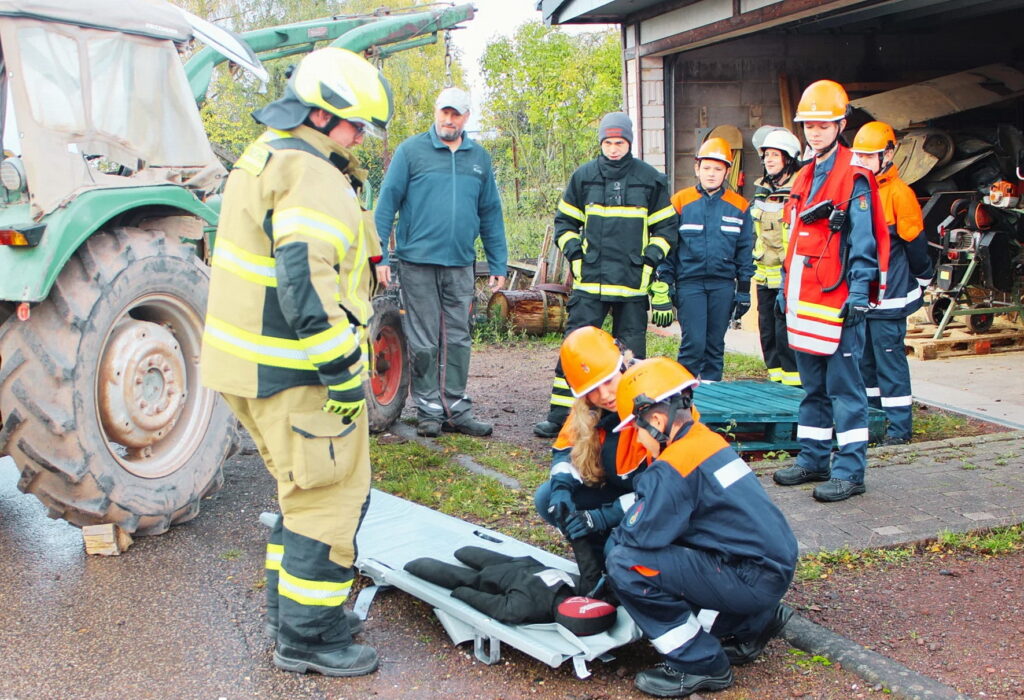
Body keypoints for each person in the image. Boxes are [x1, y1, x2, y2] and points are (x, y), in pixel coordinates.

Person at [201, 48, 392, 677]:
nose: (359, 138)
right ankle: (311, 640)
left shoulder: (267, 154)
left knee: (298, 495)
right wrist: (341, 370)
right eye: (354, 125)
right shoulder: (308, 172)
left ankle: (291, 619)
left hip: (250, 367)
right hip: (297, 371)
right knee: (330, 501)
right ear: (319, 113)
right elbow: (304, 285)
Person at [604, 357, 798, 698]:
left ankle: (699, 663)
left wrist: (609, 567)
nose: (636, 439)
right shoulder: (704, 441)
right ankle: (751, 624)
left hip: (749, 576)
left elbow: (642, 535)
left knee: (626, 564)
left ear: (657, 420)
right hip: (767, 568)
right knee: (671, 562)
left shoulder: (674, 466)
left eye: (634, 428)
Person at [771, 80, 891, 503]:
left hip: (838, 299)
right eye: (810, 125)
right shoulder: (804, 175)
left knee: (845, 389)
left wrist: (860, 292)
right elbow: (795, 238)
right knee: (813, 388)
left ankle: (850, 470)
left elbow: (865, 241)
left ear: (840, 125)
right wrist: (787, 288)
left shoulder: (854, 176)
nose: (816, 132)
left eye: (824, 125)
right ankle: (813, 458)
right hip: (806, 298)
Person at [533, 112, 677, 439]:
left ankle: (629, 416)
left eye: (620, 143)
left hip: (632, 286)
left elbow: (666, 228)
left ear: (629, 143)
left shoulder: (650, 180)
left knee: (632, 354)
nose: (614, 149)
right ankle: (561, 416)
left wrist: (650, 260)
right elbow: (564, 224)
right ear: (601, 143)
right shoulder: (583, 178)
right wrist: (577, 256)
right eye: (608, 143)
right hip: (591, 283)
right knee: (576, 349)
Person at [374, 86, 507, 438]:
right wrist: (380, 255)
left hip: (460, 263)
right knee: (423, 338)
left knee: (459, 337)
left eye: (457, 113)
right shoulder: (411, 152)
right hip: (417, 261)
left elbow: (490, 212)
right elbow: (386, 204)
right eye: (445, 112)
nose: (449, 119)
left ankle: (456, 407)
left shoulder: (479, 158)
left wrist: (498, 263)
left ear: (466, 117)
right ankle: (429, 408)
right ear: (436, 112)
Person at [533, 326, 651, 578]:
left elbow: (663, 492)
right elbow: (567, 449)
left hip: (661, 502)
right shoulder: (586, 407)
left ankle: (619, 550)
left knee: (617, 552)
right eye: (592, 389)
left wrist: (603, 517)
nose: (604, 395)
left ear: (623, 364)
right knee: (547, 497)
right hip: (622, 487)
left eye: (608, 380)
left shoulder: (655, 394)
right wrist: (561, 489)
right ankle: (598, 563)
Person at [851, 121, 933, 445]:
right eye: (859, 156)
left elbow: (916, 246)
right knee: (865, 364)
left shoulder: (900, 194)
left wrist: (924, 277)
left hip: (890, 296)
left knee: (890, 363)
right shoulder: (856, 190)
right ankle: (874, 422)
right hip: (863, 296)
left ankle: (899, 430)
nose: (863, 162)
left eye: (869, 156)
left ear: (887, 154)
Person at [658, 137, 754, 382]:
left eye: (718, 169)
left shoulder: (739, 206)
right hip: (690, 284)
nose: (711, 174)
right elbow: (668, 245)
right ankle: (684, 398)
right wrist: (666, 281)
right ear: (696, 168)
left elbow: (745, 249)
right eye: (707, 168)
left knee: (714, 345)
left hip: (722, 285)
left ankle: (713, 398)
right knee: (694, 343)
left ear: (727, 172)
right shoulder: (680, 201)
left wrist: (743, 290)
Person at [751, 128, 803, 387]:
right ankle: (776, 383)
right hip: (764, 275)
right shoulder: (761, 190)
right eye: (766, 155)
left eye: (775, 155)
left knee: (786, 334)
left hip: (789, 276)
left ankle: (793, 388)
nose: (769, 160)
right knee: (768, 332)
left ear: (789, 159)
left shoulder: (801, 188)